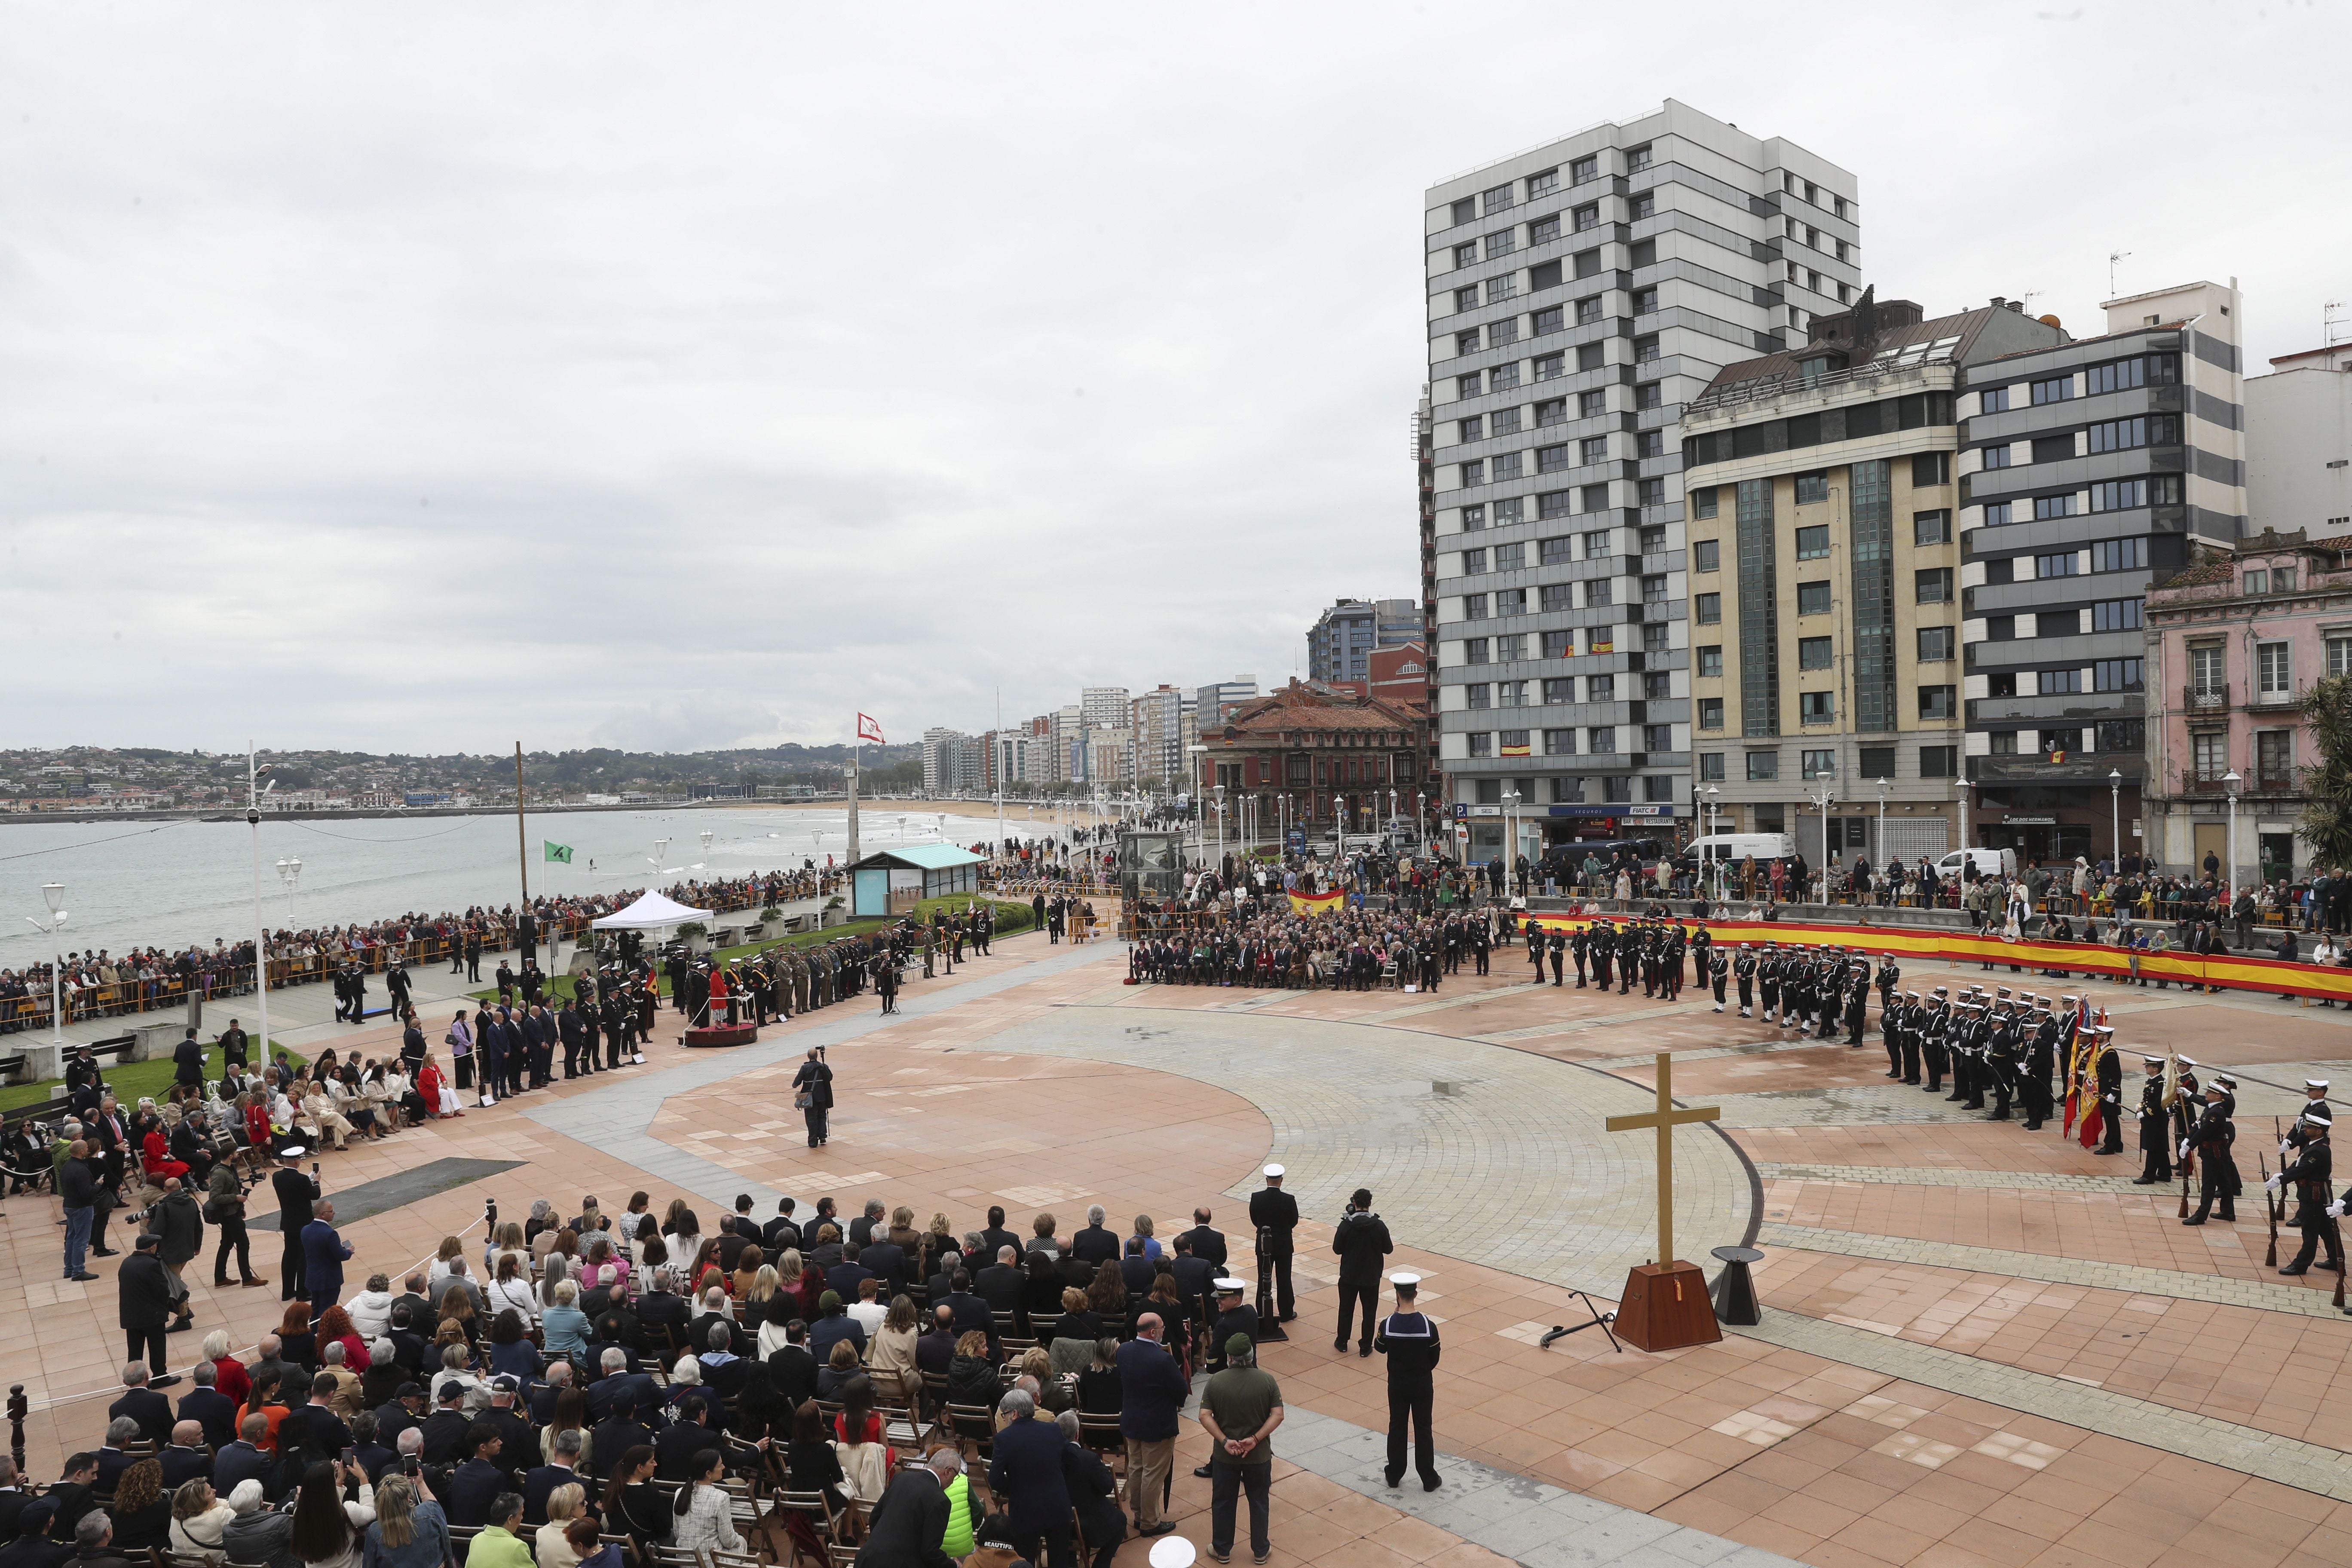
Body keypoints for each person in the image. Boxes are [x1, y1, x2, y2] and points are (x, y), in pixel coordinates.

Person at [1198, 1333, 1282, 1565]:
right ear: (1251, 1356)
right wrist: (1255, 1439)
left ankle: (1222, 1549)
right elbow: (1278, 1414)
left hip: (1226, 1456)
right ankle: (1260, 1551)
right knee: (1259, 1501)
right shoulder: (1267, 1381)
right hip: (1259, 1456)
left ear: (1229, 1358)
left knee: (1224, 1502)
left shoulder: (1216, 1382)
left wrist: (1225, 1441)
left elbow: (1205, 1415)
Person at [1115, 1316, 1185, 1540]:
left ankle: (1138, 1514)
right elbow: (1181, 1391)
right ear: (1154, 1332)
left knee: (1136, 1468)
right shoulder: (1162, 1359)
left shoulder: (1123, 1351)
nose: (1164, 1331)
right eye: (1162, 1328)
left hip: (1132, 1421)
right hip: (1157, 1425)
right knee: (1153, 1474)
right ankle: (1149, 1522)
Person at [1375, 1271, 1442, 1492]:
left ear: (1397, 1295)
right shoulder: (1428, 1325)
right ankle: (1428, 1478)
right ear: (1415, 1294)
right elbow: (1435, 1358)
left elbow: (1380, 1347)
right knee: (1423, 1428)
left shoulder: (1388, 1324)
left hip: (1397, 1384)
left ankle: (1394, 1474)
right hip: (1422, 1383)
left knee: (1397, 1426)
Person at [986, 1391, 1069, 1568]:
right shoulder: (1053, 1429)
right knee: (1060, 1560)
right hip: (1057, 1504)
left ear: (1014, 1414)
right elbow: (1069, 1461)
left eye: (1005, 1414)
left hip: (1025, 1510)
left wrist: (1013, 1489)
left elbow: (995, 1479)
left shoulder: (1004, 1439)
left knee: (1025, 1560)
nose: (1004, 1418)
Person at [852, 1447, 961, 1568]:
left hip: (868, 1556)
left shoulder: (901, 1478)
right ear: (948, 1472)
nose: (953, 1482)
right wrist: (953, 1565)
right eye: (956, 1476)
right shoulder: (940, 1500)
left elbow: (875, 1517)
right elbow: (930, 1552)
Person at [1329, 1188, 1392, 1357]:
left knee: (1346, 1309)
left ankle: (1342, 1342)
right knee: (1369, 1313)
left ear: (1354, 1203)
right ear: (1370, 1203)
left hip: (1349, 1276)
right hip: (1371, 1277)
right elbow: (1389, 1249)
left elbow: (1337, 1249)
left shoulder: (1346, 1225)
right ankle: (1365, 1346)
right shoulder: (1379, 1226)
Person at [119, 1235, 181, 1387]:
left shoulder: (126, 1262)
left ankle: (134, 1379)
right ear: (152, 1248)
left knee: (134, 1351)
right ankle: (160, 1377)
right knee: (157, 1347)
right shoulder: (152, 1264)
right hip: (151, 1316)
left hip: (131, 1316)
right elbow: (162, 1290)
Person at [360, 1473, 449, 1568]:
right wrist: (420, 1482)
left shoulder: (375, 1531)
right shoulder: (430, 1512)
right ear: (408, 1498)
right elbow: (447, 1548)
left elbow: (369, 1565)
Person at [667, 1450, 744, 1560]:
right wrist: (736, 1538)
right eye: (720, 1465)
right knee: (742, 1543)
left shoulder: (680, 1492)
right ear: (708, 1474)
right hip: (711, 1562)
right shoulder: (721, 1497)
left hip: (683, 1560)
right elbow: (728, 1540)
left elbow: (678, 1532)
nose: (723, 1467)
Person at [1246, 1165, 1298, 1323]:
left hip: (1263, 1243)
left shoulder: (1256, 1197)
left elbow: (1255, 1219)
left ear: (1266, 1180)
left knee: (1264, 1277)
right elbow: (1293, 1221)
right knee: (1284, 1278)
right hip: (1283, 1244)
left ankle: (1262, 1312)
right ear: (1281, 1181)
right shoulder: (1289, 1199)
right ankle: (1286, 1312)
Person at [274, 1151, 322, 1302]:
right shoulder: (301, 1179)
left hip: (288, 1222)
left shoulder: (277, 1177)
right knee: (303, 1257)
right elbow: (315, 1194)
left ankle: (287, 1291)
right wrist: (316, 1181)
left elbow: (294, 1189)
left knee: (289, 1255)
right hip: (303, 1223)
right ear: (296, 1161)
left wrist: (307, 1181)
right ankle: (303, 1292)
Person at [304, 1202, 355, 1310]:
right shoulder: (330, 1233)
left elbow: (318, 1249)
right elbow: (341, 1256)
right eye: (331, 1211)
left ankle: (314, 1327)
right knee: (327, 1310)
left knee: (315, 1307)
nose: (334, 1213)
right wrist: (349, 1251)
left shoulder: (305, 1230)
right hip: (329, 1280)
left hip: (313, 1277)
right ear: (323, 1214)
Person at [791, 1049, 833, 1149]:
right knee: (822, 1116)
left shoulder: (805, 1068)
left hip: (810, 1098)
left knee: (811, 1119)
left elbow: (797, 1081)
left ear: (808, 1056)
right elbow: (830, 1078)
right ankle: (823, 1136)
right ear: (817, 1055)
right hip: (822, 1097)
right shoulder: (823, 1067)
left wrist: (794, 1085)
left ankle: (813, 1141)